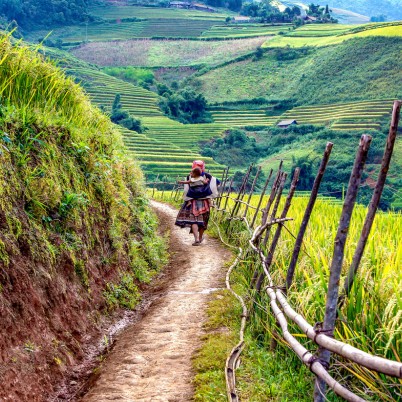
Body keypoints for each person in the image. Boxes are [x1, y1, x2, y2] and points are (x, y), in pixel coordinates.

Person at [175, 160, 219, 246]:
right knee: (203, 221)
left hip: (193, 202)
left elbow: (186, 190)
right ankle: (200, 237)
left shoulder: (189, 178)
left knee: (194, 221)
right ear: (203, 168)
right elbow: (217, 184)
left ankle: (196, 239)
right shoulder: (209, 177)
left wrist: (187, 200)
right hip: (205, 202)